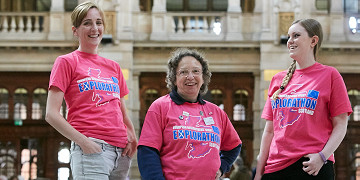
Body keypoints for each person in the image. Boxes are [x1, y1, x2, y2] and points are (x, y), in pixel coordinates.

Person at [45, 1, 137, 180]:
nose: (94, 28)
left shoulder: (114, 67)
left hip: (121, 153)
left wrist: (132, 136)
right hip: (93, 150)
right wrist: (84, 143)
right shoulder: (67, 62)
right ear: (75, 30)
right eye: (87, 23)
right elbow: (51, 114)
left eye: (99, 22)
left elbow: (122, 111)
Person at [254, 19, 352, 180]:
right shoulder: (278, 79)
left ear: (313, 41)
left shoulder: (330, 75)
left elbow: (341, 124)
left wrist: (322, 157)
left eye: (296, 35)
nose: (290, 41)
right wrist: (258, 172)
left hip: (312, 166)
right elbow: (269, 130)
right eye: (289, 36)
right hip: (275, 167)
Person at [137, 48, 242, 179]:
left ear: (203, 78)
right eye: (183, 72)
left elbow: (234, 145)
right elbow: (147, 152)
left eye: (196, 71)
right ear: (174, 79)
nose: (190, 76)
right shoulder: (160, 107)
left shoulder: (216, 112)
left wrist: (222, 167)